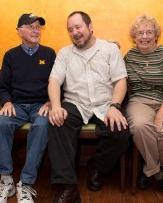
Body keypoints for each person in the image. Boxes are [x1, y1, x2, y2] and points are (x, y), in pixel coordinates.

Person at [48, 11, 131, 202]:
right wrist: (55, 106)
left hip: (105, 104)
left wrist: (115, 106)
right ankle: (68, 187)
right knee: (57, 122)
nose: (75, 32)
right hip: (75, 103)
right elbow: (54, 80)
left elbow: (120, 81)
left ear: (90, 27)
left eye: (78, 27)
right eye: (70, 29)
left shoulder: (110, 50)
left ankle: (97, 166)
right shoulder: (64, 53)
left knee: (121, 133)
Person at [0, 13, 56, 203]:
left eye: (38, 27)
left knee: (43, 126)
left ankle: (25, 183)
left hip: (41, 105)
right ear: (19, 31)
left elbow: (57, 83)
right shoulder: (10, 55)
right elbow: (2, 87)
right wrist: (7, 102)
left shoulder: (49, 53)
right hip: (16, 105)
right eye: (30, 26)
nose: (35, 30)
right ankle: (6, 180)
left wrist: (51, 102)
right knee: (0, 123)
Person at [124, 14, 163, 195]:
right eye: (140, 33)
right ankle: (158, 173)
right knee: (140, 126)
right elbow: (113, 71)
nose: (145, 36)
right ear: (134, 37)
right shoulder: (129, 56)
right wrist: (109, 47)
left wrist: (160, 117)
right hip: (139, 101)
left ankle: (148, 167)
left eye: (149, 32)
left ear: (156, 35)